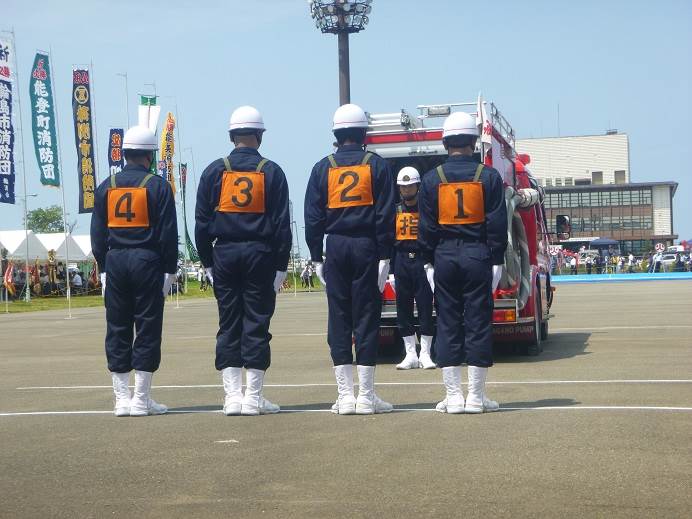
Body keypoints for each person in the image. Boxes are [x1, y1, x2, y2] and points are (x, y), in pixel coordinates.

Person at [195, 106, 291, 416]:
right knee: (257, 322)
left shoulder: (214, 170)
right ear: (260, 136)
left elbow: (200, 222)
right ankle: (253, 397)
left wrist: (207, 261)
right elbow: (281, 225)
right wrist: (280, 265)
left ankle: (231, 397)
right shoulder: (271, 171)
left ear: (231, 135)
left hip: (224, 252)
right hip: (259, 254)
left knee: (229, 322)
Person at [304, 103, 395, 415]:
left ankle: (345, 397)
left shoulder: (322, 167)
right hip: (367, 245)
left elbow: (312, 216)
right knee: (367, 317)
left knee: (339, 317)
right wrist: (385, 255)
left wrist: (316, 254)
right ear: (363, 133)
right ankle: (366, 396)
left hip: (337, 245)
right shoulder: (377, 165)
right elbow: (385, 215)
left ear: (336, 133)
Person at [418, 111, 508, 414]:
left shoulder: (432, 179)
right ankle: (477, 397)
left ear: (445, 142)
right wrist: (496, 259)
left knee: (448, 322)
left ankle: (454, 396)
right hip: (477, 254)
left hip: (444, 256)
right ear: (474, 141)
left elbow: (426, 227)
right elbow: (497, 224)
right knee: (478, 323)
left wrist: (428, 261)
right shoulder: (489, 177)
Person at [90, 125, 178, 417]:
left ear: (124, 153)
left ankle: (120, 399)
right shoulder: (158, 186)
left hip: (115, 260)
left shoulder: (106, 185)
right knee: (147, 327)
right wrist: (170, 270)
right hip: (146, 260)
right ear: (149, 156)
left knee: (117, 327)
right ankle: (141, 399)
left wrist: (103, 267)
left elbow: (97, 233)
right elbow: (167, 234)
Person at [392, 166, 436, 370]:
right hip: (401, 261)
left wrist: (431, 263)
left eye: (410, 186)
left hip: (422, 261)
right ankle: (410, 353)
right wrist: (391, 269)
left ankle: (426, 353)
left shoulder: (426, 210)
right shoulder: (395, 210)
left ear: (417, 186)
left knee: (426, 306)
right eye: (404, 187)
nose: (407, 190)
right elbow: (389, 240)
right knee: (403, 307)